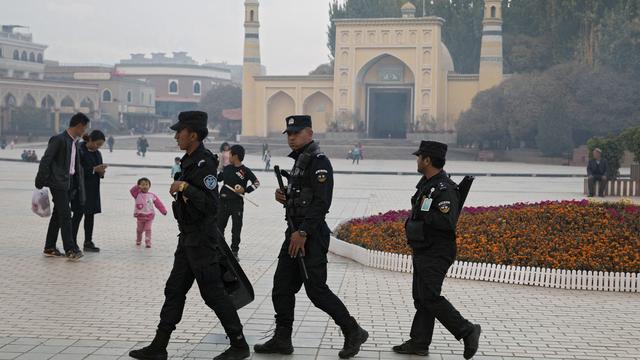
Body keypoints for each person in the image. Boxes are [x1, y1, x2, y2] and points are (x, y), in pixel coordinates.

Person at [129, 111, 250, 360]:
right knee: (174, 289)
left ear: (193, 134)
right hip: (188, 238)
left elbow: (210, 205)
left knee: (213, 294)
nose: (175, 136)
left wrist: (185, 187)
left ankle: (239, 345)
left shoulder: (204, 163)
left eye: (179, 132)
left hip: (202, 240)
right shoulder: (188, 161)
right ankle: (159, 345)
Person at [254, 115, 368, 359]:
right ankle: (282, 339)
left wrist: (304, 232)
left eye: (296, 133)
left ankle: (353, 330)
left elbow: (321, 203)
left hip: (310, 236)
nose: (291, 138)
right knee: (282, 286)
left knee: (316, 290)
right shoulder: (300, 162)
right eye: (289, 134)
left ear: (310, 133)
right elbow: (303, 197)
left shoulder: (319, 162)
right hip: (294, 233)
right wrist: (285, 196)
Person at [393, 140, 481, 359]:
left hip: (437, 251)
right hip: (424, 248)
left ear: (427, 160)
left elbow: (447, 221)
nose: (417, 160)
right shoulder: (427, 184)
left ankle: (467, 330)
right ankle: (420, 342)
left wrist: (424, 215)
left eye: (419, 157)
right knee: (421, 297)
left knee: (430, 297)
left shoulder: (444, 189)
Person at [34, 112, 89, 261]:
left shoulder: (74, 142)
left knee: (58, 215)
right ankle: (70, 249)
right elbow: (46, 159)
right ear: (78, 126)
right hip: (58, 183)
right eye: (84, 128)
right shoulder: (58, 140)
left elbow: (74, 166)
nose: (84, 131)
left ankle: (49, 247)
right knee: (66, 215)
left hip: (69, 183)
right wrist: (40, 180)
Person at [217, 144, 260, 260]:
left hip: (237, 204)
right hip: (223, 202)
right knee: (219, 226)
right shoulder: (227, 168)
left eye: (230, 154)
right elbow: (217, 178)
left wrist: (245, 190)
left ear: (235, 156)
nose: (228, 156)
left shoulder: (245, 171)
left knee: (236, 228)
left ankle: (234, 251)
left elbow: (257, 183)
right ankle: (221, 249)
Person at [72, 130, 107, 253]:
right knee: (77, 215)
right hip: (80, 188)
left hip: (93, 189)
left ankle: (88, 241)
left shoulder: (97, 153)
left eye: (100, 145)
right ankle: (72, 242)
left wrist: (101, 171)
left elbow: (99, 170)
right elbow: (76, 169)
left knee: (90, 215)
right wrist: (93, 169)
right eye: (97, 144)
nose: (98, 147)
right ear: (90, 140)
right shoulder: (79, 150)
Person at [129, 178, 167, 248]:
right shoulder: (137, 194)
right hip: (140, 216)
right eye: (143, 185)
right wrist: (137, 187)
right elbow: (132, 191)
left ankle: (148, 242)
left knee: (148, 229)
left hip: (149, 215)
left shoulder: (152, 195)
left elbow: (158, 204)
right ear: (139, 186)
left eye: (147, 184)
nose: (145, 186)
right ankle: (138, 240)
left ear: (149, 186)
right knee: (139, 230)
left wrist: (163, 211)